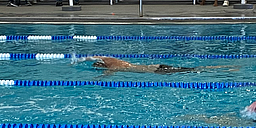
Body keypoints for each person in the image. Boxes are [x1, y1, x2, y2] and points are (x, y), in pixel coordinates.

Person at [89, 56, 227, 74]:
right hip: (156, 66)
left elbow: (106, 75)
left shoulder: (113, 67)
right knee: (190, 69)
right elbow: (100, 56)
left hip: (156, 71)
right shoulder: (113, 61)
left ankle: (219, 69)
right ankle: (220, 68)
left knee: (192, 70)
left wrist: (96, 80)